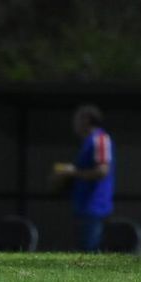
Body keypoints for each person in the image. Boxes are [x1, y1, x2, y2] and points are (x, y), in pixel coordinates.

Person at [54, 105, 115, 252]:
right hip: (82, 205)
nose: (74, 124)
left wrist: (73, 172)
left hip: (94, 205)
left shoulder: (100, 139)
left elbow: (102, 171)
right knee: (82, 248)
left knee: (90, 250)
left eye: (77, 119)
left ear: (86, 120)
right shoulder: (88, 141)